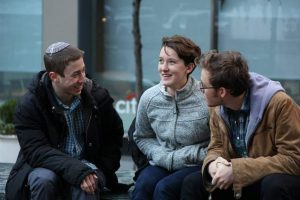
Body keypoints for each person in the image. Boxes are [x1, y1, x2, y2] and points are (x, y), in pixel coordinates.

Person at [5, 42, 127, 200]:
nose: (82, 79)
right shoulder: (30, 104)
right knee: (43, 181)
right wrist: (76, 169)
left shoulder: (97, 96)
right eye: (75, 74)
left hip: (88, 164)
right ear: (54, 77)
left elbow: (114, 135)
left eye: (83, 70)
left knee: (87, 185)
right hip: (45, 166)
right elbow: (36, 151)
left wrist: (102, 169)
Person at [181, 50, 300, 200]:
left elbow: (294, 159)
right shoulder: (216, 106)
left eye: (203, 86)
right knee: (193, 183)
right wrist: (213, 164)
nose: (200, 90)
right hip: (242, 179)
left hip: (274, 180)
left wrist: (237, 170)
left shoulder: (279, 103)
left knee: (274, 185)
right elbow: (217, 146)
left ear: (222, 91)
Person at [132, 35, 210, 200]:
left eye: (171, 62)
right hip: (162, 162)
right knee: (143, 187)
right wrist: (159, 154)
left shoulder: (206, 98)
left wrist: (192, 154)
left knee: (164, 189)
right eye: (161, 61)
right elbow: (142, 136)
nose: (163, 68)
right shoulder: (149, 98)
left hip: (195, 165)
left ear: (189, 68)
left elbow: (219, 143)